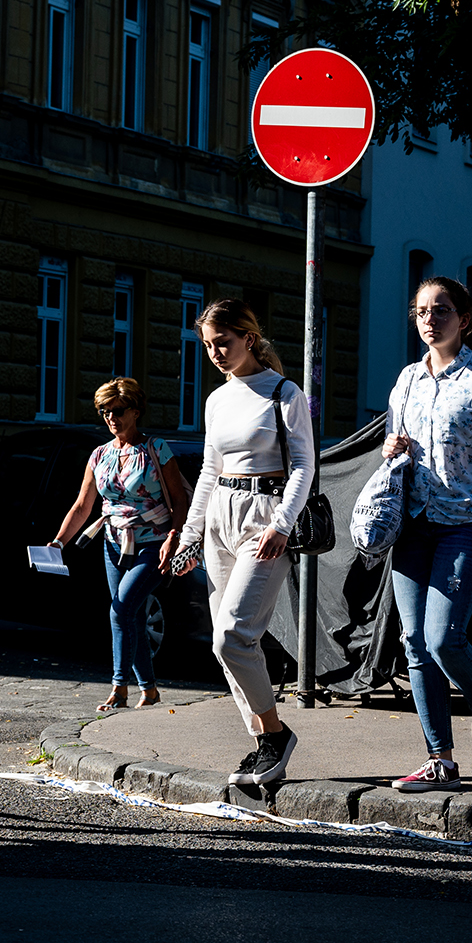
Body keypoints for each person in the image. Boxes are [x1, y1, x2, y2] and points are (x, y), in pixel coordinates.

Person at [376, 278, 472, 790]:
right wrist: (390, 448)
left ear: (465, 319)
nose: (429, 319)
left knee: (444, 638)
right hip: (414, 524)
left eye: (441, 310)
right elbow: (395, 452)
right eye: (420, 310)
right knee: (414, 642)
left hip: (469, 523)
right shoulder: (406, 381)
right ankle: (439, 758)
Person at [168, 298, 313, 787]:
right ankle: (262, 744)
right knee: (221, 643)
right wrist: (190, 535)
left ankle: (275, 735)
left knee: (234, 634)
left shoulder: (284, 393)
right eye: (207, 346)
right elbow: (209, 471)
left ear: (249, 338)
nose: (215, 353)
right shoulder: (216, 399)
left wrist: (283, 525)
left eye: (222, 342)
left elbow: (303, 466)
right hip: (219, 521)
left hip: (264, 518)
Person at [49, 377, 193, 712]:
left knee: (121, 609)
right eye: (104, 411)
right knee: (132, 616)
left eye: (117, 410)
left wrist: (174, 536)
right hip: (112, 543)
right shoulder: (100, 454)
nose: (111, 417)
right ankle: (151, 690)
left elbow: (180, 500)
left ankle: (118, 689)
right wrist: (58, 541)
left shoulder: (156, 449)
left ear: (136, 410)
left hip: (153, 544)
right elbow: (82, 505)